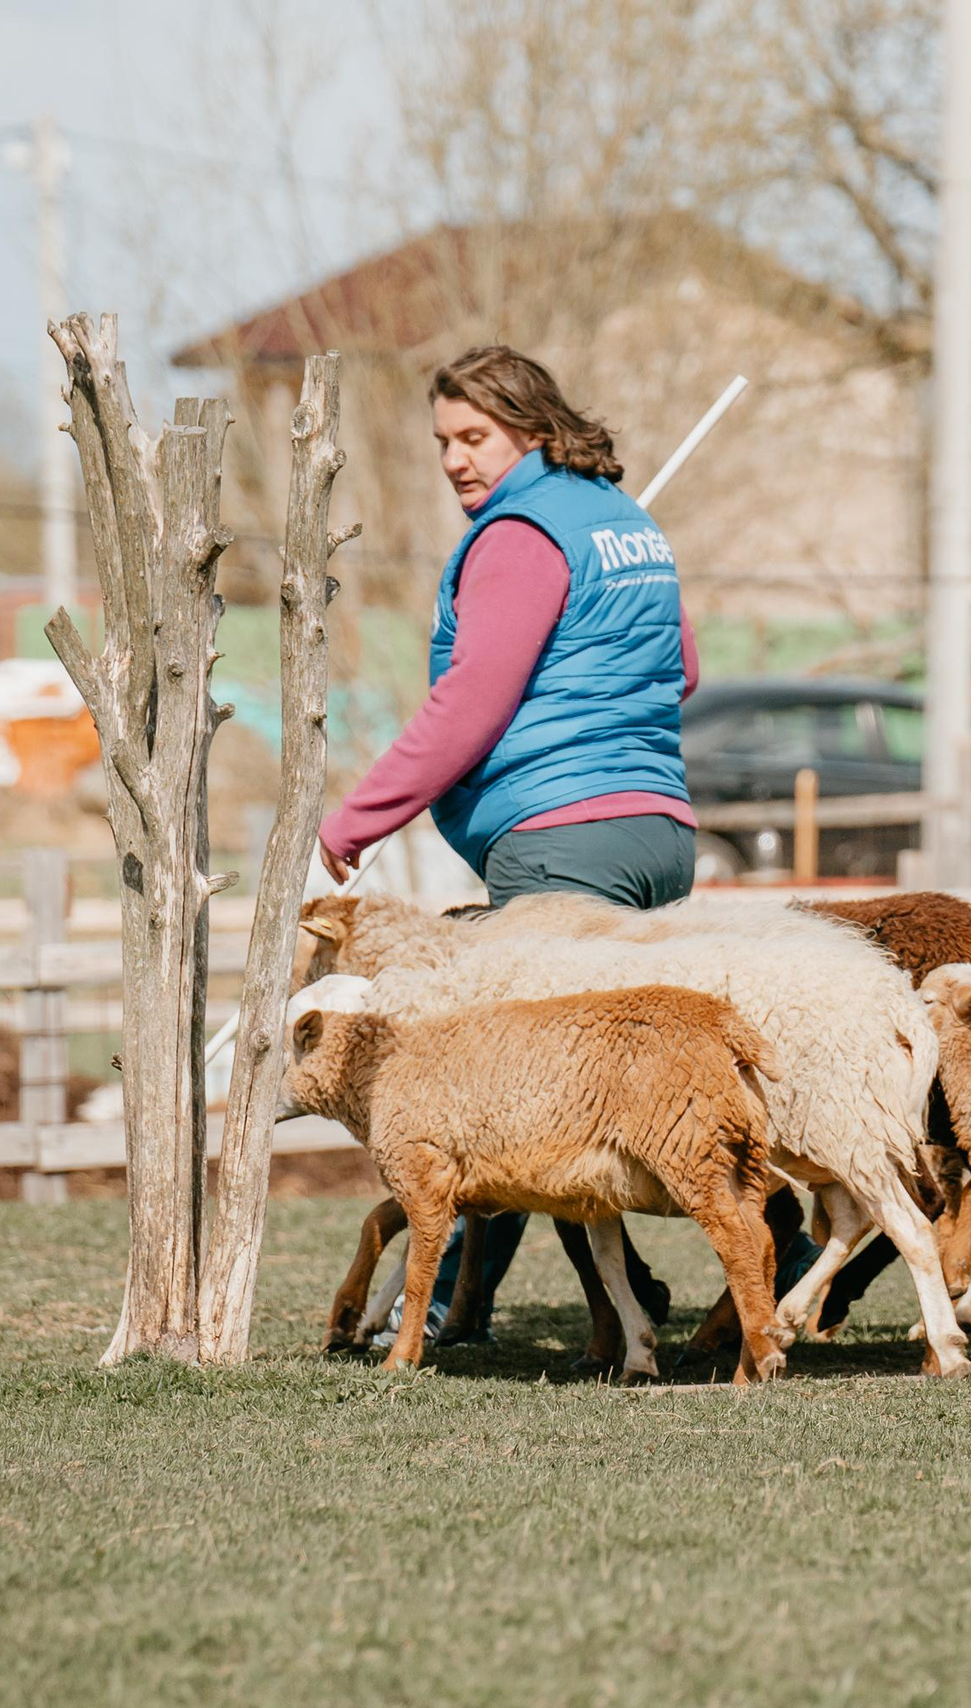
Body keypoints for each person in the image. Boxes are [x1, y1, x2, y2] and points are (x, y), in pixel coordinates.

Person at [320, 345, 703, 1345]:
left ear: (530, 429)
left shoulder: (522, 536)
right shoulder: (627, 525)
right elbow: (684, 668)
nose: (454, 459)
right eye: (442, 440)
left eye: (474, 438)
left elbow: (469, 704)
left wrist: (356, 816)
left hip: (560, 842)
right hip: (657, 831)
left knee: (515, 1095)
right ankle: (467, 1305)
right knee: (566, 1086)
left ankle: (766, 1253)